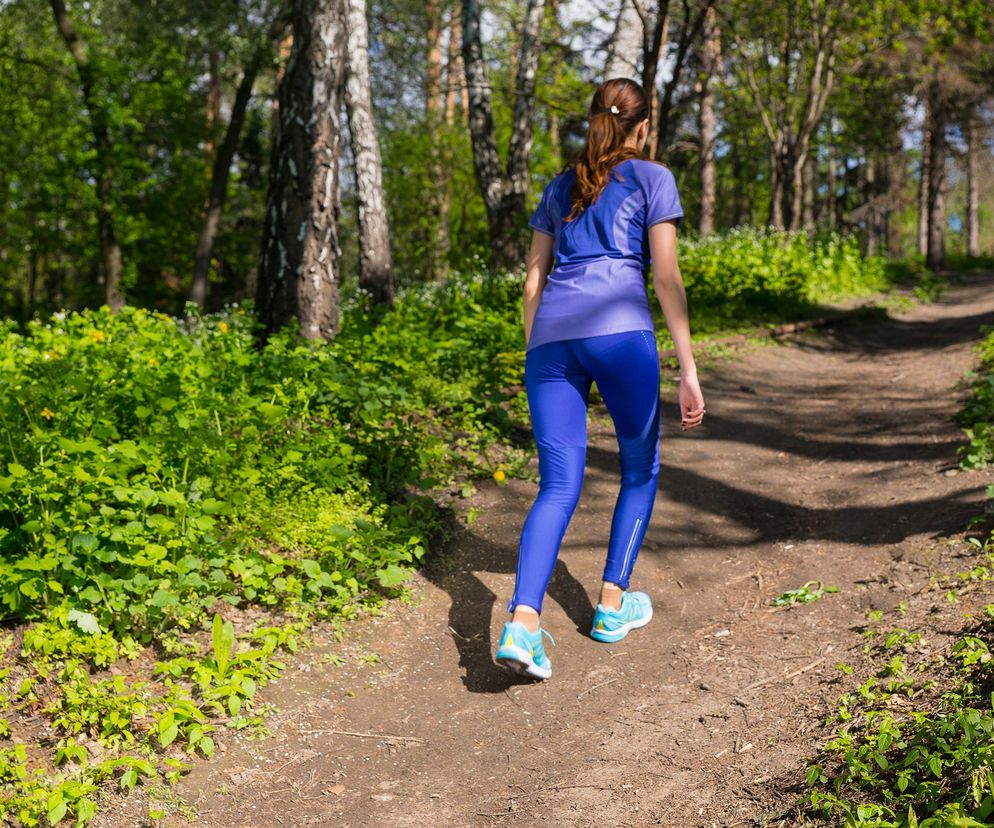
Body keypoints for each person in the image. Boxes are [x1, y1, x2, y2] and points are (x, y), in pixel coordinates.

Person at [494, 78, 705, 681]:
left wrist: (539, 353)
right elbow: (665, 279)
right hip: (620, 335)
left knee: (557, 487)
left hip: (552, 342)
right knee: (640, 468)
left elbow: (533, 282)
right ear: (643, 127)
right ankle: (612, 607)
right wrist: (687, 369)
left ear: (594, 120)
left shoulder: (560, 185)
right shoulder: (652, 178)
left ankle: (523, 623)